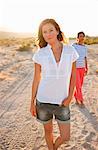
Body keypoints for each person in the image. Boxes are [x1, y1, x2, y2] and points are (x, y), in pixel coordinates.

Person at [30, 18, 79, 150]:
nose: (48, 34)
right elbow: (36, 79)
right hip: (43, 101)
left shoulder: (70, 51)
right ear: (42, 35)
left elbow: (74, 76)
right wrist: (32, 102)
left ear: (57, 30)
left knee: (65, 136)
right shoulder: (40, 54)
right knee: (48, 132)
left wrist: (70, 96)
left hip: (62, 102)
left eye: (51, 30)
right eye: (44, 32)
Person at [72, 31, 88, 106]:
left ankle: (76, 96)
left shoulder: (85, 47)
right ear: (77, 38)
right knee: (78, 85)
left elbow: (85, 58)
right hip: (75, 68)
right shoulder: (73, 46)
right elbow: (71, 57)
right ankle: (81, 100)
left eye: (83, 36)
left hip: (82, 68)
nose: (81, 38)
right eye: (80, 36)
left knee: (80, 85)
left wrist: (86, 67)